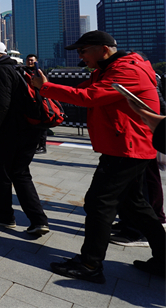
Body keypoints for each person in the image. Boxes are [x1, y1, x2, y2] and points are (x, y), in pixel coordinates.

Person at [31, 30, 165, 283]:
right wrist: (43, 86)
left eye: (83, 51)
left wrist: (45, 87)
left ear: (103, 49)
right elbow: (82, 89)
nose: (80, 57)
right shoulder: (109, 69)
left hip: (126, 147)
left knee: (98, 203)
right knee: (135, 205)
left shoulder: (127, 71)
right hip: (127, 145)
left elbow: (89, 98)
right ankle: (165, 259)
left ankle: (90, 264)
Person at [0, 40, 49, 236]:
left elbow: (0, 104)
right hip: (30, 130)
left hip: (10, 132)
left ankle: (4, 215)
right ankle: (38, 220)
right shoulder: (18, 69)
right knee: (21, 173)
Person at [24, 54, 48, 155]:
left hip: (39, 100)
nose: (30, 62)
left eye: (32, 61)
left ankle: (42, 146)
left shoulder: (40, 72)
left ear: (36, 61)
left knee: (41, 124)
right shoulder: (24, 71)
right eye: (28, 60)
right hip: (28, 100)